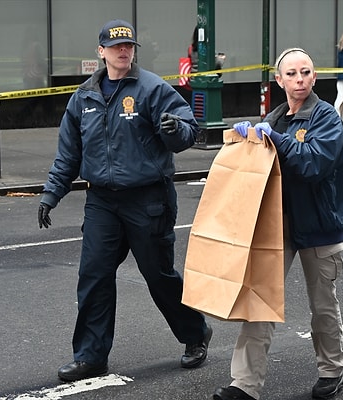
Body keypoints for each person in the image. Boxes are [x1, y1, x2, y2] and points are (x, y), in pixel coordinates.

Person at [37, 19, 212, 382]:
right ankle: (91, 356)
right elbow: (69, 154)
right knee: (94, 275)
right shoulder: (83, 97)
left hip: (148, 199)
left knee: (158, 275)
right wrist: (51, 194)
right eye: (115, 47)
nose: (123, 51)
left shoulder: (151, 88)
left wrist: (174, 131)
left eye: (128, 46)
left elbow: (189, 129)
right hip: (102, 201)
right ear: (101, 52)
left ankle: (196, 334)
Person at [213, 48, 343, 400]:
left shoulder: (326, 118)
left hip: (321, 224)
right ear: (279, 80)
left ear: (315, 77)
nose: (299, 80)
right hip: (280, 226)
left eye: (305, 72)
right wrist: (247, 143)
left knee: (322, 305)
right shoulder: (275, 118)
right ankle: (244, 385)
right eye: (291, 74)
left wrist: (276, 139)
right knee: (258, 301)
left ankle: (331, 370)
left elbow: (313, 164)